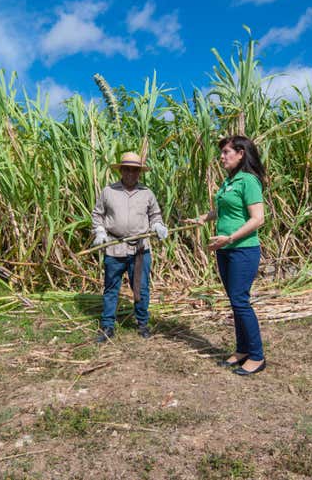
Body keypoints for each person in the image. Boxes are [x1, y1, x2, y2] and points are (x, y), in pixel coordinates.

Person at [186, 135, 266, 376]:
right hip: (226, 250)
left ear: (241, 154)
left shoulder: (249, 181)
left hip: (243, 249)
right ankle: (242, 350)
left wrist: (230, 238)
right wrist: (204, 218)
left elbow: (258, 218)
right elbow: (225, 209)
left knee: (241, 301)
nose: (221, 157)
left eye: (226, 153)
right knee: (235, 301)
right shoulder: (229, 181)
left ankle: (257, 356)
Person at [91, 152, 168, 343]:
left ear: (139, 173)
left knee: (141, 288)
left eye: (135, 170)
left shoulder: (146, 193)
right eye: (127, 169)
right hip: (114, 247)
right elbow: (97, 214)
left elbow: (155, 215)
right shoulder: (108, 191)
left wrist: (157, 225)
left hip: (140, 248)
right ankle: (108, 325)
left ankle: (142, 322)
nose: (131, 173)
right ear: (122, 170)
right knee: (111, 287)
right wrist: (100, 231)